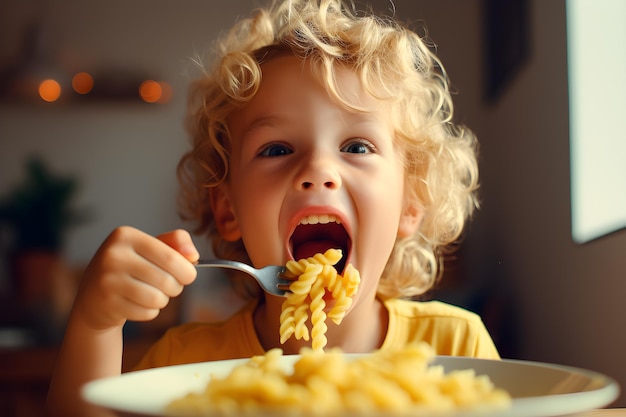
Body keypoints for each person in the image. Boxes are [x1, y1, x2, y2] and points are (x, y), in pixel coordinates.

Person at [46, 0, 499, 415]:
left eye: (357, 146)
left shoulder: (456, 348)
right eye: (277, 149)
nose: (318, 169)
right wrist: (95, 325)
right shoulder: (185, 364)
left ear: (410, 203)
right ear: (228, 211)